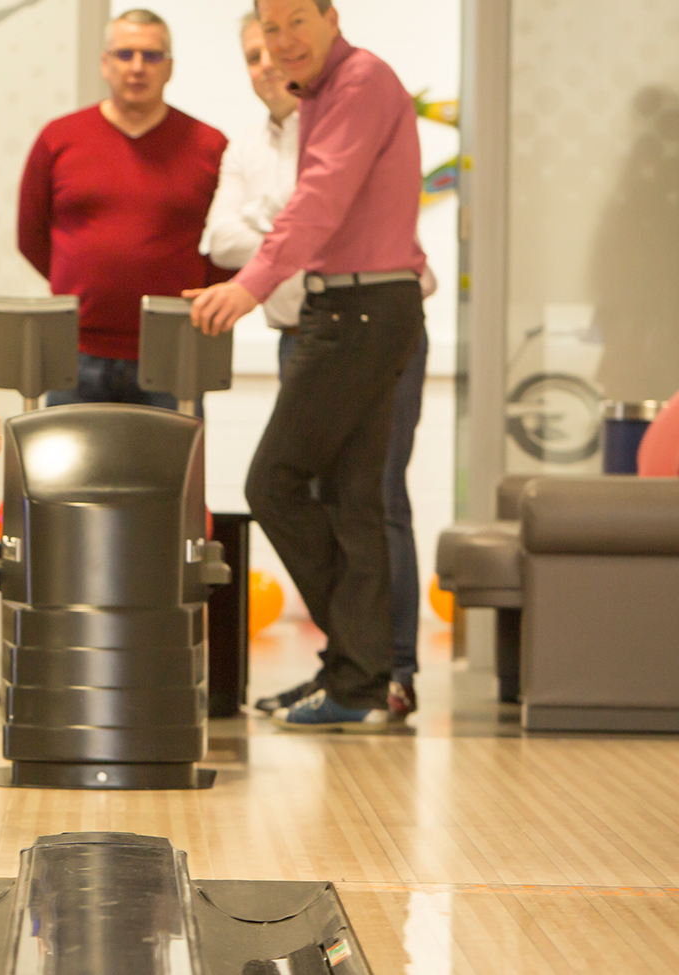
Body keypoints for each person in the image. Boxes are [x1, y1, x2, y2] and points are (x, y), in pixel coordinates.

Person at [187, 0, 427, 733]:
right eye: (270, 26)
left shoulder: (359, 83)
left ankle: (365, 661)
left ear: (330, 15)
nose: (282, 40)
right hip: (355, 307)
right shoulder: (323, 93)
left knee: (274, 481)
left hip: (359, 311)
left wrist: (248, 284)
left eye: (297, 20)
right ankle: (357, 678)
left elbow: (318, 200)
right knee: (352, 498)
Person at [18, 9, 229, 411]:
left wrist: (198, 292)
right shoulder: (59, 138)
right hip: (74, 351)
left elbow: (234, 243)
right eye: (124, 54)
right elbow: (31, 236)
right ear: (105, 63)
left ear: (169, 68)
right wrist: (86, 283)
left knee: (169, 475)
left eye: (151, 56)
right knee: (67, 475)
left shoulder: (209, 145)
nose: (137, 68)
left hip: (173, 351)